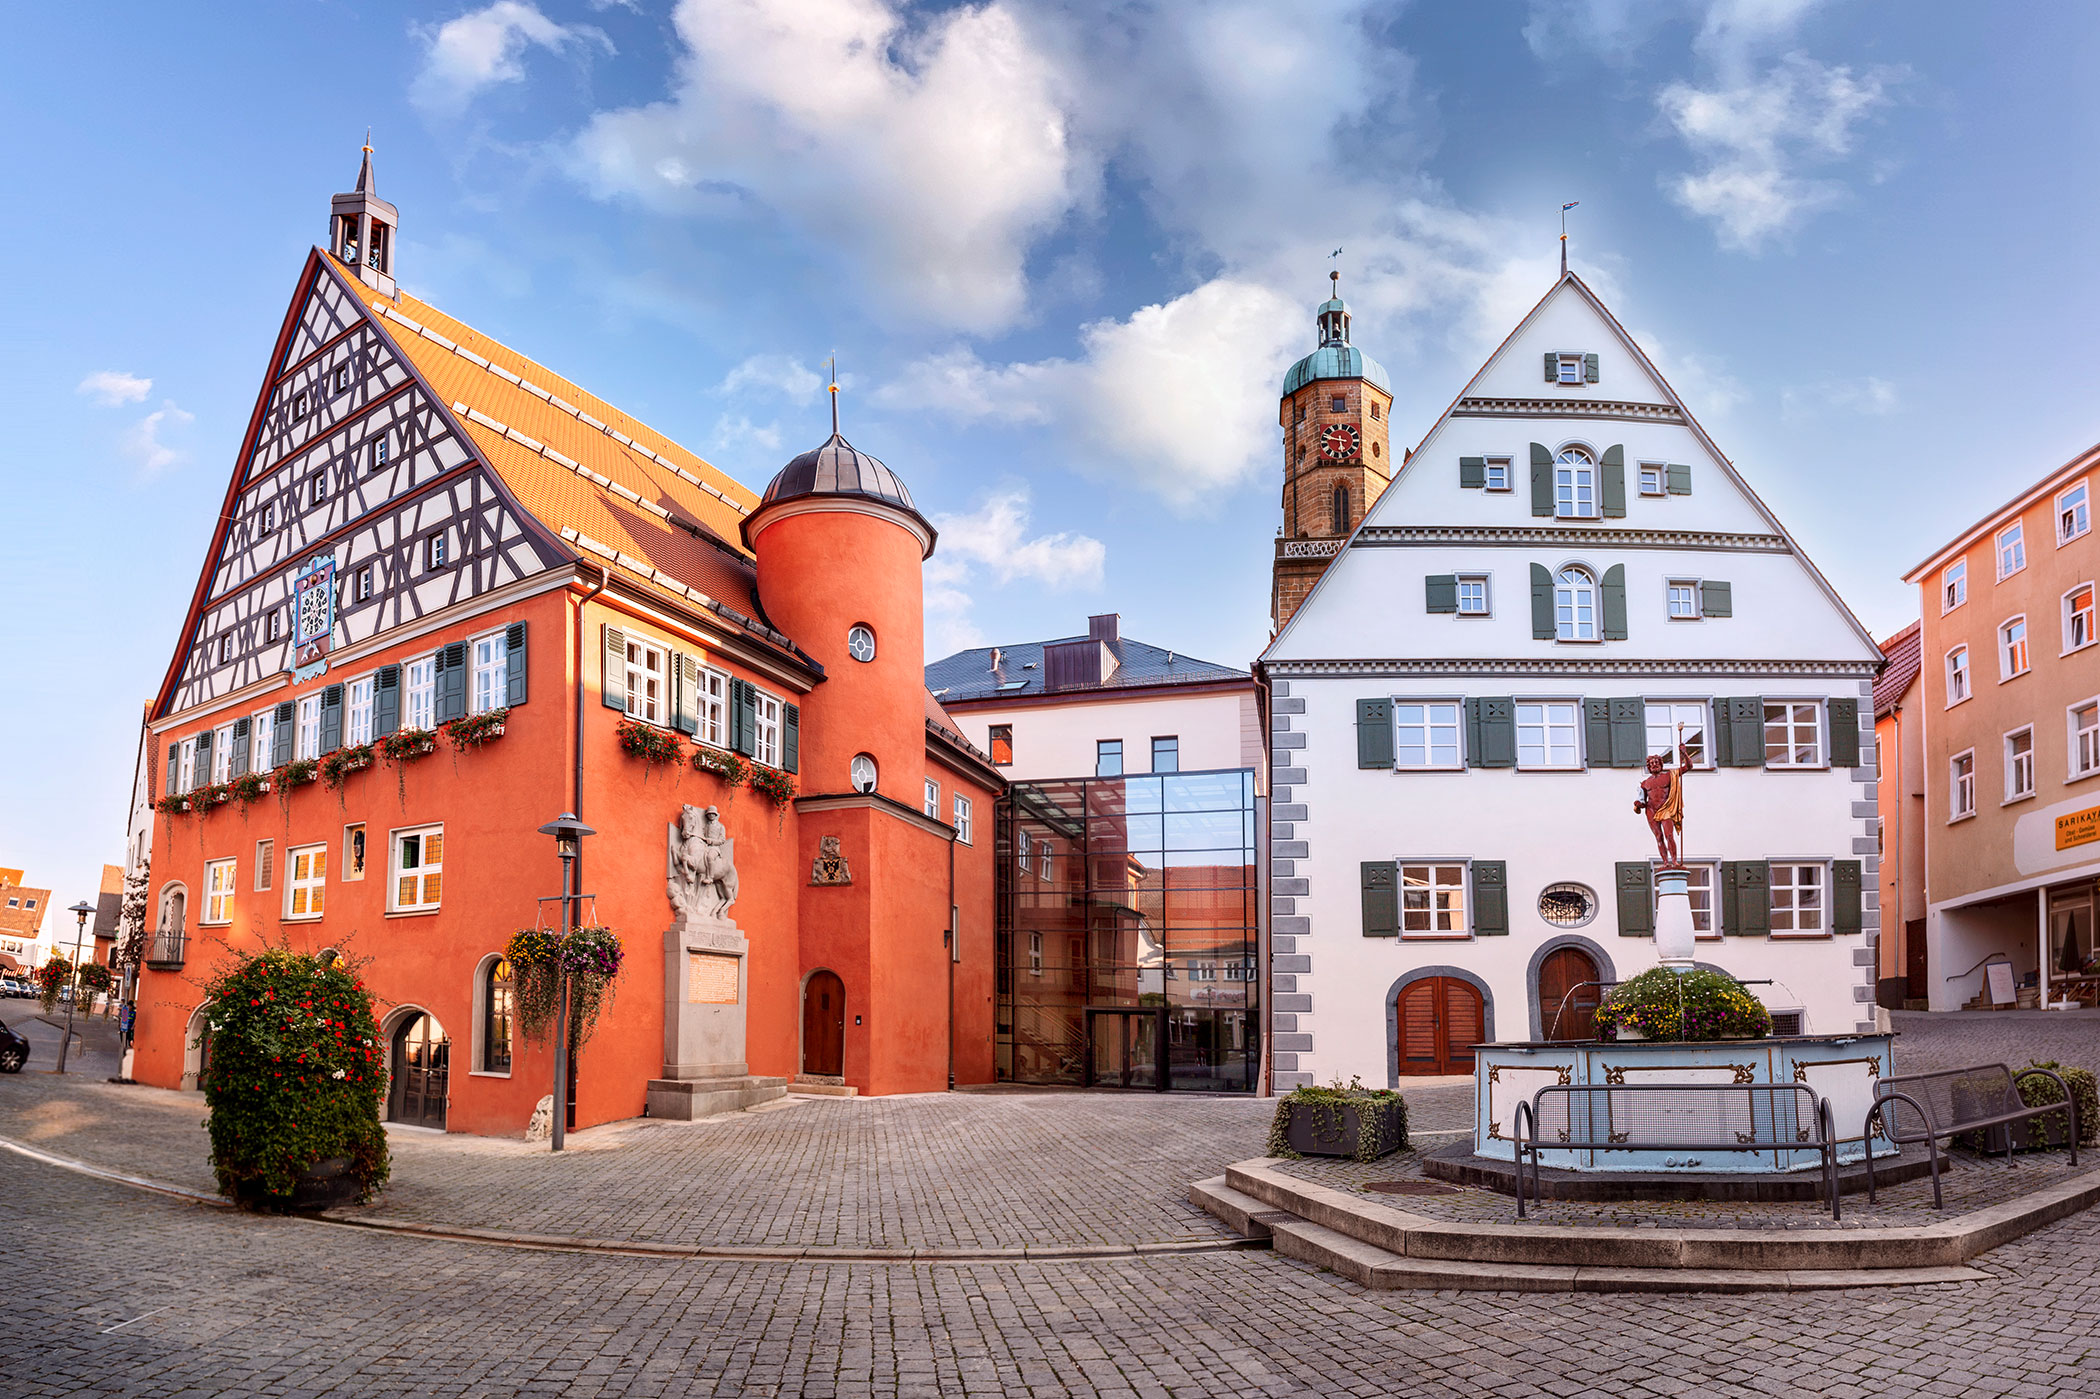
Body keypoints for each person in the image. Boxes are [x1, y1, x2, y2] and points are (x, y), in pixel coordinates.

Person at [1634, 732, 1694, 866]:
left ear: (1661, 764)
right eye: (1651, 763)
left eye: (1657, 762)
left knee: (1669, 835)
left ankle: (1674, 860)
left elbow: (1688, 767)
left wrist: (1684, 753)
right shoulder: (1645, 783)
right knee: (1658, 837)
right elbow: (1642, 802)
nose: (1654, 765)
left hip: (1666, 808)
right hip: (1651, 810)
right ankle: (1665, 862)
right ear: (1649, 767)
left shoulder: (1669, 776)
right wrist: (1638, 805)